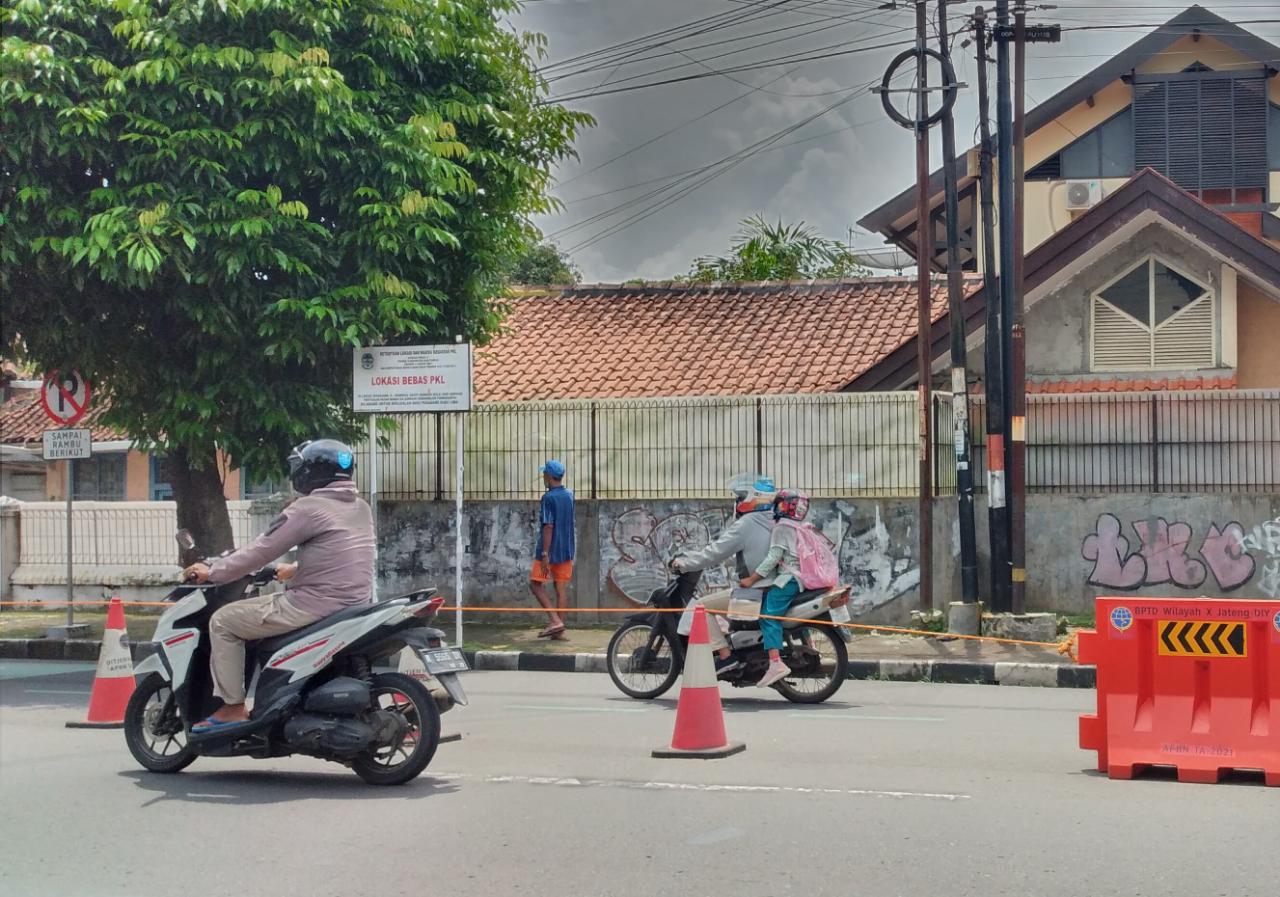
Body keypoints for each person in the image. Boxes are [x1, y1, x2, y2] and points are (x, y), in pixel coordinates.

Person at [181, 439, 375, 732]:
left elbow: (261, 550)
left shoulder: (308, 508)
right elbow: (343, 555)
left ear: (309, 472)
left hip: (313, 604)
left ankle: (233, 707)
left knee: (223, 621)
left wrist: (213, 572)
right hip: (356, 604)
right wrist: (295, 568)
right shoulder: (360, 507)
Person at [672, 477, 776, 678]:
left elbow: (716, 551)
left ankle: (726, 656)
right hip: (774, 586)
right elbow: (754, 551)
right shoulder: (775, 519)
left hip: (754, 590)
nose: (738, 501)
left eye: (741, 497)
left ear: (753, 498)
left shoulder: (747, 523)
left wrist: (684, 564)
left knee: (701, 607)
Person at [738, 489, 809, 688]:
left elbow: (773, 557)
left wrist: (751, 579)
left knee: (768, 617)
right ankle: (807, 646)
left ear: (787, 506)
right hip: (801, 578)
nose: (775, 508)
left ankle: (775, 663)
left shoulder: (782, 527)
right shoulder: (800, 526)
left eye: (779, 504)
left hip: (788, 579)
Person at [530, 459, 575, 639]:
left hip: (550, 551)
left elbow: (548, 526)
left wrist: (545, 553)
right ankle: (560, 631)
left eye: (544, 473)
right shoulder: (570, 495)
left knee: (535, 584)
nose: (543, 476)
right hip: (567, 549)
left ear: (548, 476)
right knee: (560, 587)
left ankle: (555, 621)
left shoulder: (548, 498)